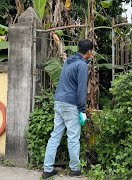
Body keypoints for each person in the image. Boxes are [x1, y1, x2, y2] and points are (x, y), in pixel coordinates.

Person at [42, 39, 93, 179]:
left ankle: (47, 170)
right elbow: (81, 89)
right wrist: (82, 110)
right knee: (73, 137)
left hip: (59, 101)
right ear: (89, 52)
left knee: (55, 135)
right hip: (71, 104)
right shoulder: (82, 65)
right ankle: (75, 169)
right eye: (91, 51)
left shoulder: (68, 61)